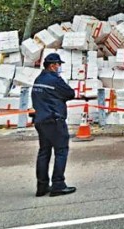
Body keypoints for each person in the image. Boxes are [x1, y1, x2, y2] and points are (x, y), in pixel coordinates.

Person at [31, 52, 77, 197]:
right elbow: (70, 93)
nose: (59, 67)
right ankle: (58, 184)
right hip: (54, 120)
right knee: (61, 151)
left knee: (44, 152)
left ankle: (42, 186)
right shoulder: (55, 80)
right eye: (58, 65)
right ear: (52, 66)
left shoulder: (38, 79)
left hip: (40, 120)